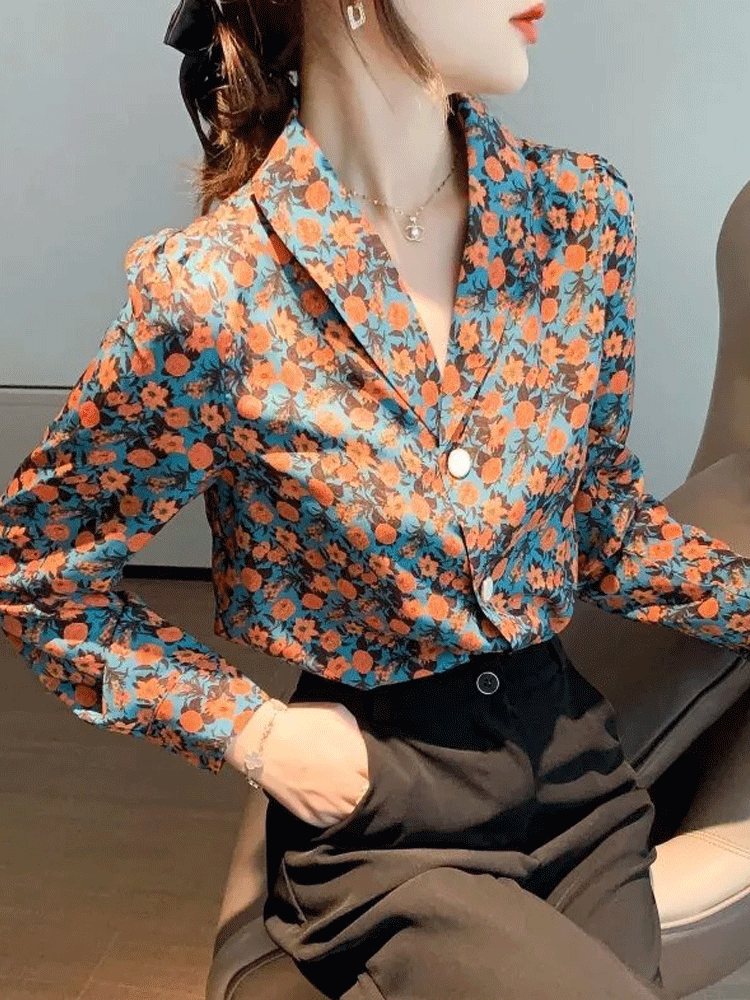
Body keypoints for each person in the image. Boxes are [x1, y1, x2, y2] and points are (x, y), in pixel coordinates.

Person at [4, 0, 750, 997]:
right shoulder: (217, 292)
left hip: (582, 786)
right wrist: (251, 731)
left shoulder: (580, 218)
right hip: (391, 821)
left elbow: (601, 526)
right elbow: (36, 569)